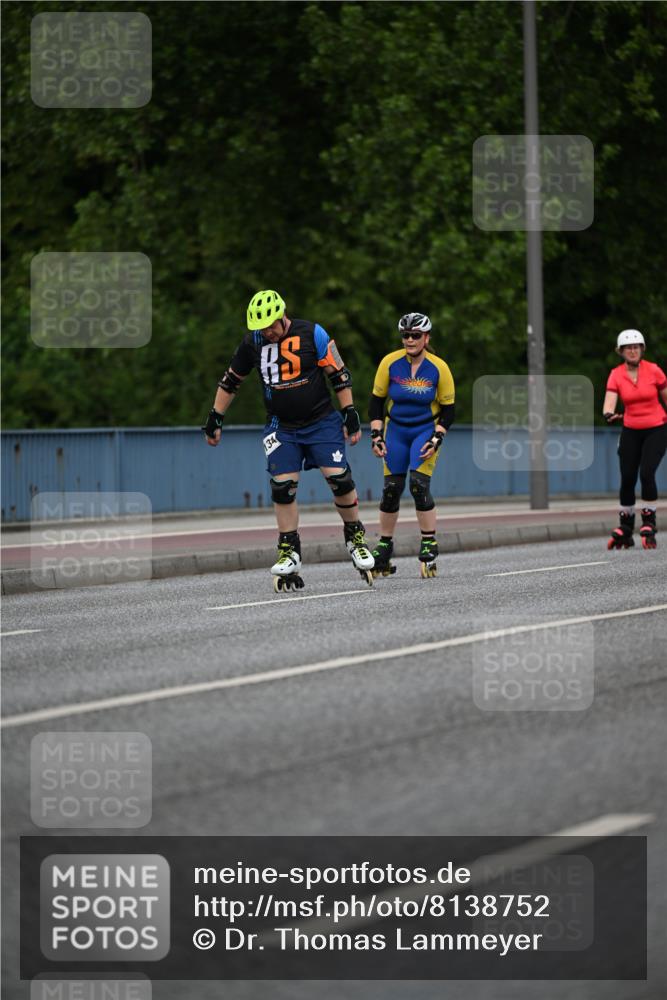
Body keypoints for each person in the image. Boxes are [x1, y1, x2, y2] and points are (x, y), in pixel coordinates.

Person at [203, 289, 374, 589]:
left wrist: (349, 411)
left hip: (321, 422)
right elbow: (231, 382)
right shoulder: (252, 343)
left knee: (340, 480)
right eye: (261, 328)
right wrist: (215, 417)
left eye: (270, 326)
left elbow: (340, 374)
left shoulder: (313, 333)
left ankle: (355, 537)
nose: (267, 333)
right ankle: (289, 550)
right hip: (281, 427)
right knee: (283, 487)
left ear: (282, 316)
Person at [368, 312, 455, 577]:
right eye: (405, 335)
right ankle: (384, 546)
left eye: (416, 335)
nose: (410, 340)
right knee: (391, 488)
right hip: (395, 431)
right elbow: (376, 402)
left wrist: (436, 437)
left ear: (426, 338)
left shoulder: (439, 367)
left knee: (418, 485)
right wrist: (376, 435)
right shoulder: (390, 363)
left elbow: (449, 410)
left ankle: (429, 540)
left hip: (424, 431)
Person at [603, 329, 667, 549]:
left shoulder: (654, 371)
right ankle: (626, 525)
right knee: (627, 476)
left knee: (647, 472)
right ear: (620, 351)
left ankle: (649, 521)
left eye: (636, 347)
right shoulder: (616, 374)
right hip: (631, 429)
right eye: (628, 348)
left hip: (656, 428)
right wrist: (608, 412)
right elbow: (610, 399)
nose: (632, 350)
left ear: (642, 349)